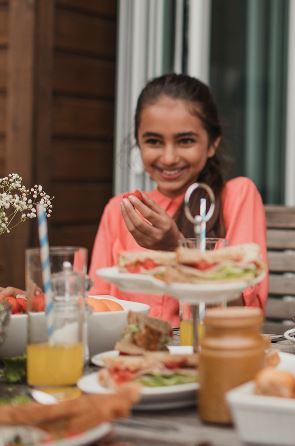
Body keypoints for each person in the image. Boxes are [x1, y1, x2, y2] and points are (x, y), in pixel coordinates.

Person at [88, 73, 268, 326]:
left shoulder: (237, 197)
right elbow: (97, 305)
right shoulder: (121, 209)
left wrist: (176, 249)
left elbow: (244, 314)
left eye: (185, 141)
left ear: (212, 144)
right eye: (153, 141)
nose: (169, 157)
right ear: (138, 143)